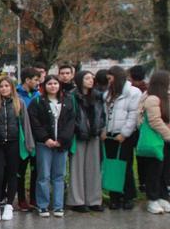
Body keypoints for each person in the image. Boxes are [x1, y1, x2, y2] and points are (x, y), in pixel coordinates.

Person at [0, 77, 35, 222]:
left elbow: (25, 123)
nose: (4, 89)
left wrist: (29, 143)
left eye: (7, 86)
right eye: (1, 86)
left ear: (11, 88)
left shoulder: (18, 103)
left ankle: (9, 205)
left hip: (14, 144)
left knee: (12, 175)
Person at [28, 76, 75, 217]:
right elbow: (34, 123)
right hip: (44, 145)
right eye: (50, 83)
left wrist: (62, 139)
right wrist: (45, 138)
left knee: (59, 175)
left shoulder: (67, 101)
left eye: (55, 83)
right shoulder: (37, 101)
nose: (53, 86)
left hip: (61, 144)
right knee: (44, 175)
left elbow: (70, 122)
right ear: (44, 86)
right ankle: (42, 205)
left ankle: (58, 205)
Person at [67, 71, 106, 213]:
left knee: (93, 167)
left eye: (92, 78)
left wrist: (101, 128)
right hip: (78, 135)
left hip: (94, 134)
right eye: (87, 78)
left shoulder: (98, 96)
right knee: (77, 168)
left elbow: (102, 113)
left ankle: (94, 200)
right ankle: (77, 201)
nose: (90, 80)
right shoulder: (72, 96)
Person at [104, 65, 142, 210]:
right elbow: (105, 113)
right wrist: (104, 130)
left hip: (125, 135)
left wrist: (125, 133)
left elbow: (133, 115)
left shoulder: (133, 92)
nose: (109, 81)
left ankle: (128, 196)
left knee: (125, 166)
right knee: (112, 166)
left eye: (110, 78)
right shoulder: (108, 93)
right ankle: (114, 196)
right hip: (110, 135)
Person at [136, 70, 170, 214]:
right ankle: (153, 199)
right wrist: (168, 135)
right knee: (154, 171)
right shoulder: (151, 99)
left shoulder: (166, 97)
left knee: (164, 171)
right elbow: (155, 121)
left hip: (164, 140)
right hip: (157, 139)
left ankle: (163, 197)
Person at [16, 67, 41, 212]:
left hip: (37, 137)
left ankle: (34, 198)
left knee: (35, 170)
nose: (38, 83)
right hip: (22, 138)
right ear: (27, 80)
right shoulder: (16, 94)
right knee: (20, 170)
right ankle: (21, 199)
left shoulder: (38, 95)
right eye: (36, 80)